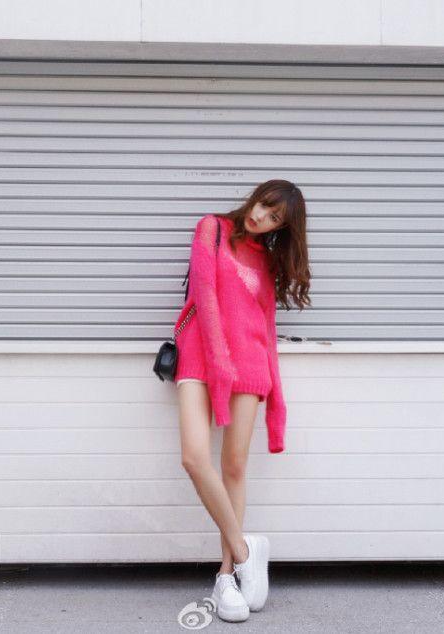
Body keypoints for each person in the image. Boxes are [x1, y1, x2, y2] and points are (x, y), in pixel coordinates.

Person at [173, 179, 311, 622]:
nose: (260, 217)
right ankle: (246, 550)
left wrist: (277, 403)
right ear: (255, 196)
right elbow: (205, 296)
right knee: (194, 458)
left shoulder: (267, 260)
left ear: (281, 228)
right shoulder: (211, 229)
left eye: (274, 218)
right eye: (263, 205)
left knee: (234, 466)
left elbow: (265, 329)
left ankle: (227, 575)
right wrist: (220, 366)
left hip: (249, 368)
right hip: (199, 359)